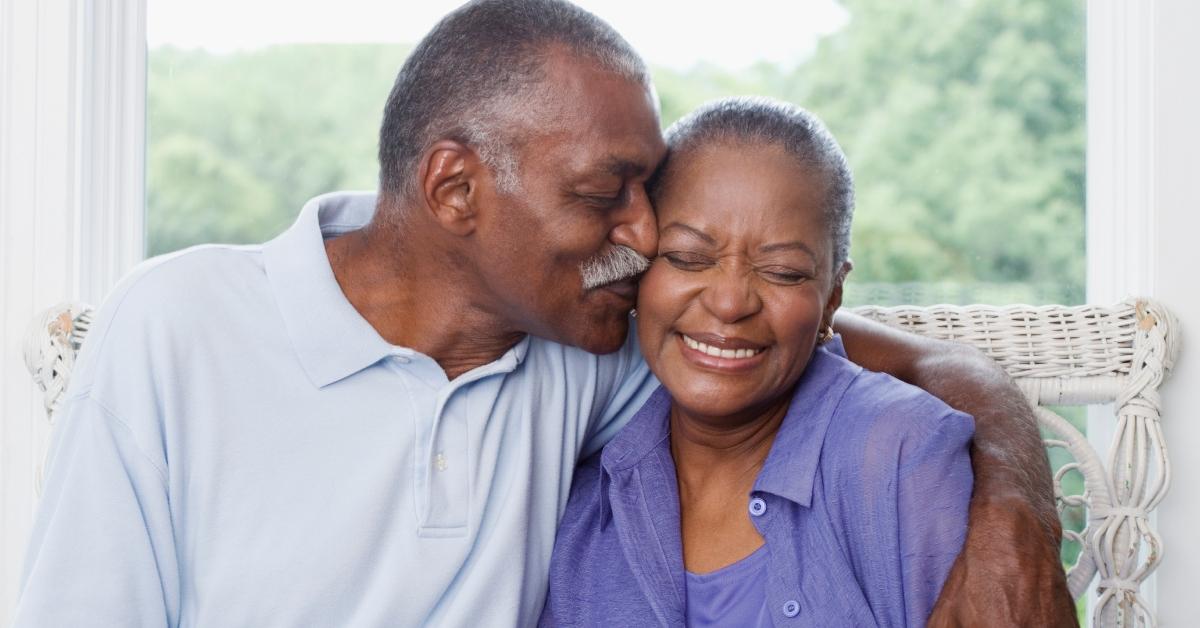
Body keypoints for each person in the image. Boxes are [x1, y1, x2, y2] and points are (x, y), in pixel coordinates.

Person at [14, 1, 1073, 626]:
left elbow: (883, 355)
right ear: (455, 188)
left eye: (649, 191)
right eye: (603, 191)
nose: (647, 234)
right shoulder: (175, 327)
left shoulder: (590, 344)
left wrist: (1013, 506)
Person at [542, 97, 971, 627]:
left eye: (784, 272)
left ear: (832, 298)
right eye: (687, 258)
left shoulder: (902, 457)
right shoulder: (576, 488)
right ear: (638, 272)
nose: (729, 303)